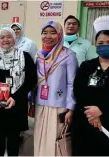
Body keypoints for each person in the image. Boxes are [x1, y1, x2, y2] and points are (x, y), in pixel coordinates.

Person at [71, 15, 109, 156]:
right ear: (95, 44)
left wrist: (102, 110)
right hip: (85, 121)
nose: (105, 46)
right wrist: (92, 112)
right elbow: (78, 90)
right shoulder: (86, 66)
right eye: (100, 43)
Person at [0, 27, 37, 156]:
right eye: (2, 37)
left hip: (17, 102)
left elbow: (31, 79)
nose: (5, 40)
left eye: (8, 36)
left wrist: (15, 97)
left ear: (14, 38)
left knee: (14, 137)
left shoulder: (24, 56)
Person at [33, 21, 78, 156]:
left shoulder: (69, 55)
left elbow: (72, 83)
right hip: (40, 103)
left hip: (59, 106)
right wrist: (31, 102)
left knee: (55, 140)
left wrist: (71, 108)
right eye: (45, 33)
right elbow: (34, 82)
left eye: (53, 33)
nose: (48, 36)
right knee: (40, 138)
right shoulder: (38, 55)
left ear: (59, 35)